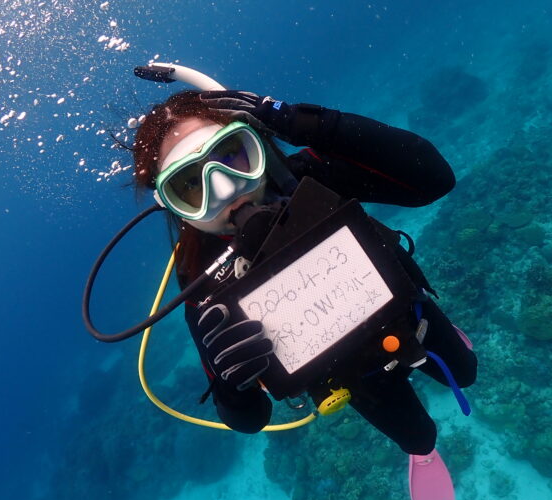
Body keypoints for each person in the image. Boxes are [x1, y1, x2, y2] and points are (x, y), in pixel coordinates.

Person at [131, 90, 477, 453]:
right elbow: (250, 419)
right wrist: (234, 386)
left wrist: (303, 122)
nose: (226, 187)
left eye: (231, 154)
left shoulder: (305, 179)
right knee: (420, 440)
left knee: (466, 373)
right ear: (173, 206)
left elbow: (434, 178)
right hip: (353, 376)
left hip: (411, 318)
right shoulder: (200, 274)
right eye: (190, 184)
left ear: (254, 142)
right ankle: (423, 455)